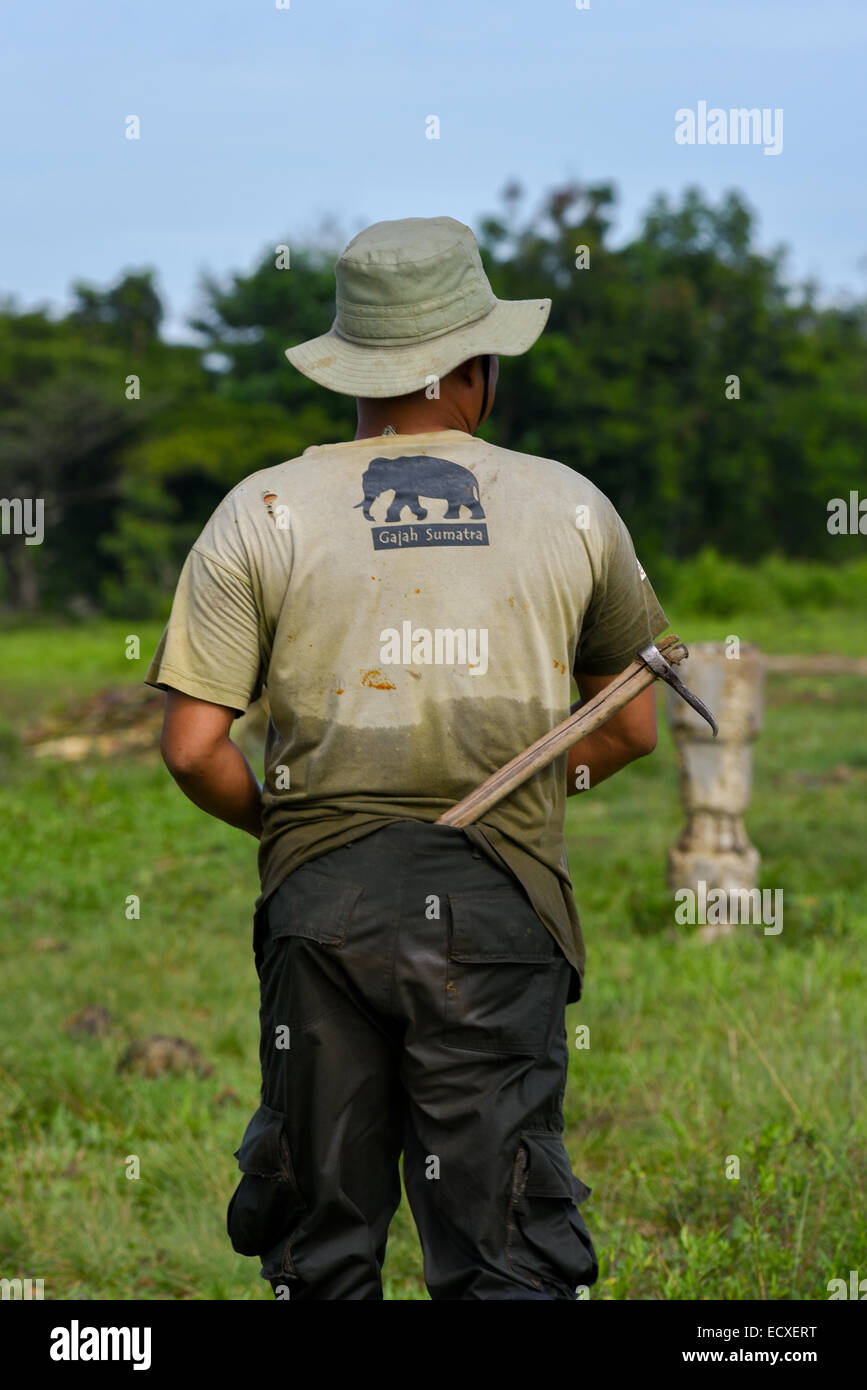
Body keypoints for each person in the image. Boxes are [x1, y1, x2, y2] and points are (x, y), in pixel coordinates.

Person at [144, 215, 668, 1300]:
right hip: (499, 908)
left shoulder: (263, 510)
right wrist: (536, 801)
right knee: (508, 1247)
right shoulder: (572, 505)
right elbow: (628, 721)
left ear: (353, 371)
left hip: (319, 909)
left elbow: (195, 749)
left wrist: (302, 823)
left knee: (320, 1244)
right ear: (478, 368)